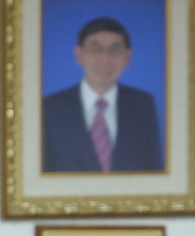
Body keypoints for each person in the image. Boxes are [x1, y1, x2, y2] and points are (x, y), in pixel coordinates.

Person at [40, 16, 164, 174]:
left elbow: (154, 171)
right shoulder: (52, 108)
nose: (105, 59)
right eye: (96, 49)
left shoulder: (143, 105)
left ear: (127, 57)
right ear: (79, 55)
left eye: (115, 50)